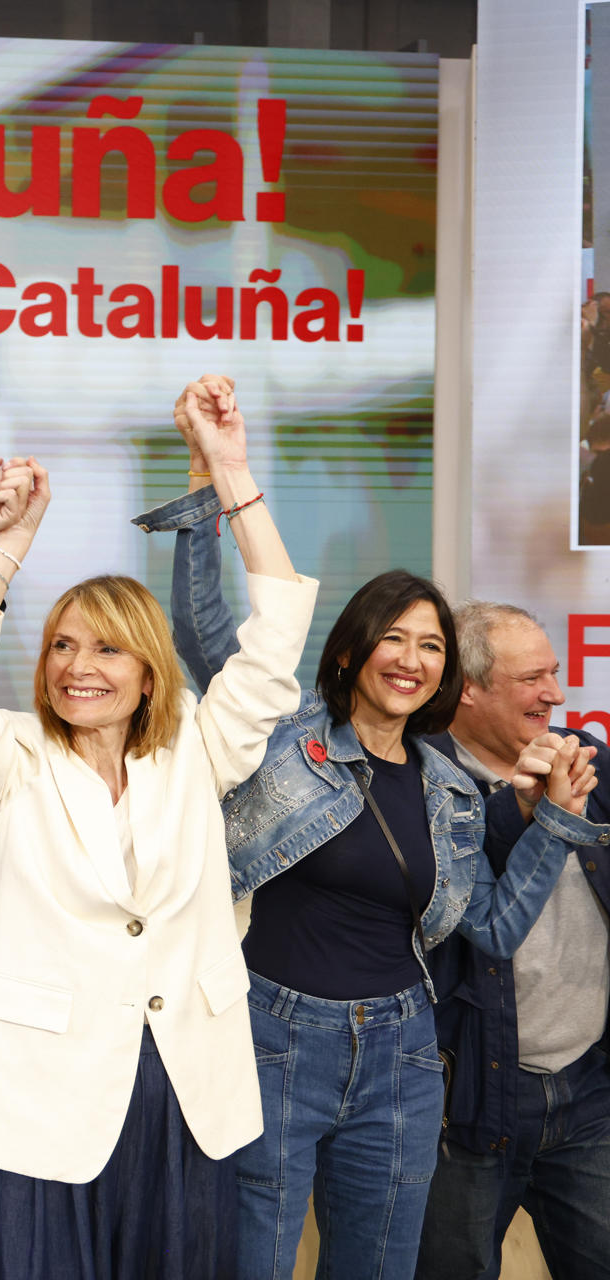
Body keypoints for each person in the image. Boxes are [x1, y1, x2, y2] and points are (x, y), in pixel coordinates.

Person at [139, 376, 608, 1279]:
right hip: (276, 1036)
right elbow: (203, 635)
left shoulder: (450, 789)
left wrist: (555, 826)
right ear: (352, 650)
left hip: (402, 1051)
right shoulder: (285, 739)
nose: (412, 658)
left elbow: (494, 931)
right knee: (256, 1261)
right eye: (396, 638)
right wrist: (207, 492)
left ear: (444, 678)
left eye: (431, 647)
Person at [0, 383, 314, 1277]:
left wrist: (233, 473)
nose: (77, 667)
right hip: (39, 1105)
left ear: (150, 670)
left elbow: (277, 625)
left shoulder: (198, 750)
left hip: (185, 1090)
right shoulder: (10, 759)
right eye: (61, 645)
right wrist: (3, 555)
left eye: (105, 648)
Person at [415, 602, 610, 1280]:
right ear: (468, 688)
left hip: (589, 1093)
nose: (555, 694)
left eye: (554, 673)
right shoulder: (420, 784)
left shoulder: (592, 763)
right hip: (465, 1105)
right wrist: (527, 809)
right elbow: (481, 925)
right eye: (534, 678)